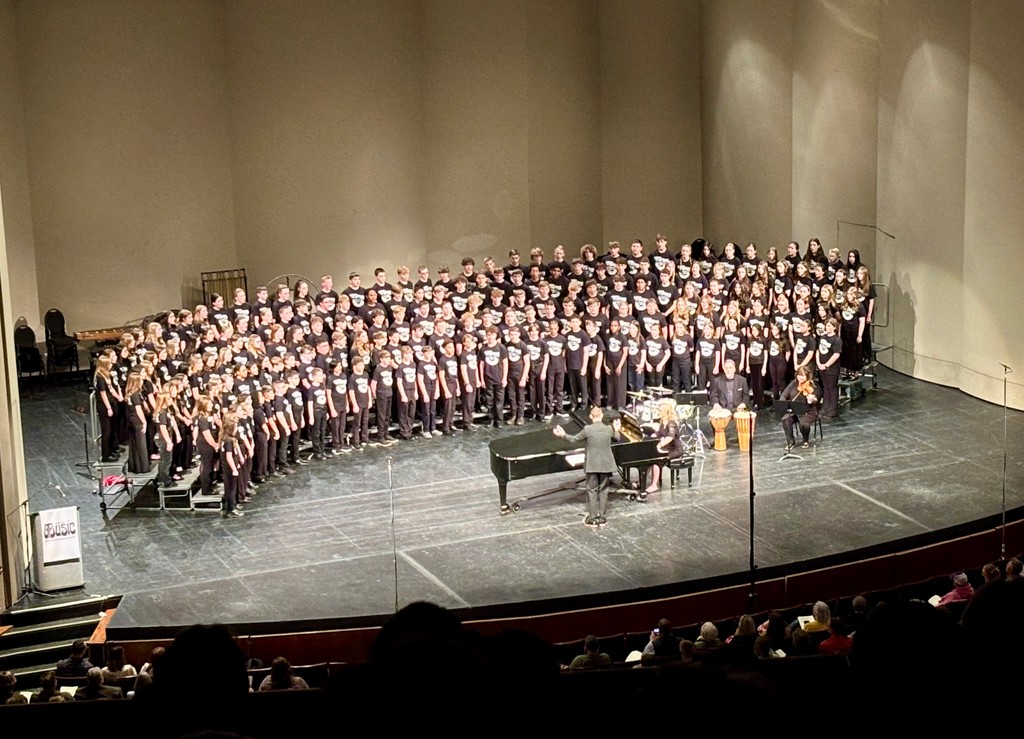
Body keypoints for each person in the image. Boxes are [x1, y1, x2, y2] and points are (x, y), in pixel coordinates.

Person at [552, 406, 621, 527]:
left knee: (592, 490)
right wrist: (616, 429)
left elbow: (573, 439)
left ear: (590, 416)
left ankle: (593, 517)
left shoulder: (587, 429)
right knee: (604, 490)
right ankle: (602, 516)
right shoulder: (608, 429)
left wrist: (563, 435)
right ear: (602, 416)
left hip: (592, 465)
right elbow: (617, 438)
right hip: (606, 465)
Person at [645, 400, 685, 496]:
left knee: (657, 460)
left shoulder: (671, 423)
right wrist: (654, 435)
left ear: (665, 411)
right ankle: (641, 480)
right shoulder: (663, 421)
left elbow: (670, 437)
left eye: (659, 410)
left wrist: (659, 445)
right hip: (667, 448)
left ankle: (654, 485)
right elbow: (660, 432)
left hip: (675, 450)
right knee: (648, 457)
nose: (658, 412)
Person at [781, 366, 820, 450]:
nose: (800, 377)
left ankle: (805, 440)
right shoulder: (793, 384)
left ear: (807, 376)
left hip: (809, 412)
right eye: (799, 375)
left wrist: (811, 400)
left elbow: (816, 401)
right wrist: (783, 402)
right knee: (785, 420)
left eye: (803, 376)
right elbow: (784, 395)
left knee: (803, 423)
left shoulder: (813, 386)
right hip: (795, 411)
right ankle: (790, 441)